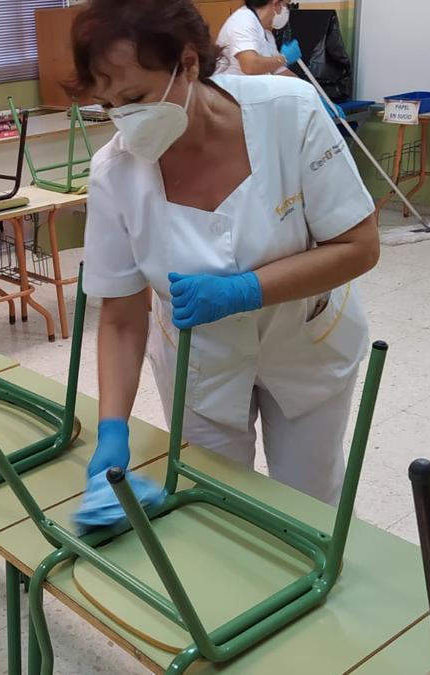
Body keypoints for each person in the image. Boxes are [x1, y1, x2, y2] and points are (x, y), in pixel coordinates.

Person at [71, 0, 379, 505]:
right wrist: (112, 428)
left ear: (188, 63)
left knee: (309, 504)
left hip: (304, 343)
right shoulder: (114, 173)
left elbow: (358, 247)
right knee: (217, 506)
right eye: (109, 107)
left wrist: (244, 291)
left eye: (135, 97)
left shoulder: (289, 111)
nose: (127, 121)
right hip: (200, 363)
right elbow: (122, 318)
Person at [216, 0, 301, 77]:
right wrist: (284, 58)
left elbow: (278, 70)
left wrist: (302, 84)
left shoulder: (267, 34)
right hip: (231, 87)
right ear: (276, 3)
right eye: (286, 5)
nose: (287, 11)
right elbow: (250, 66)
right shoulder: (243, 20)